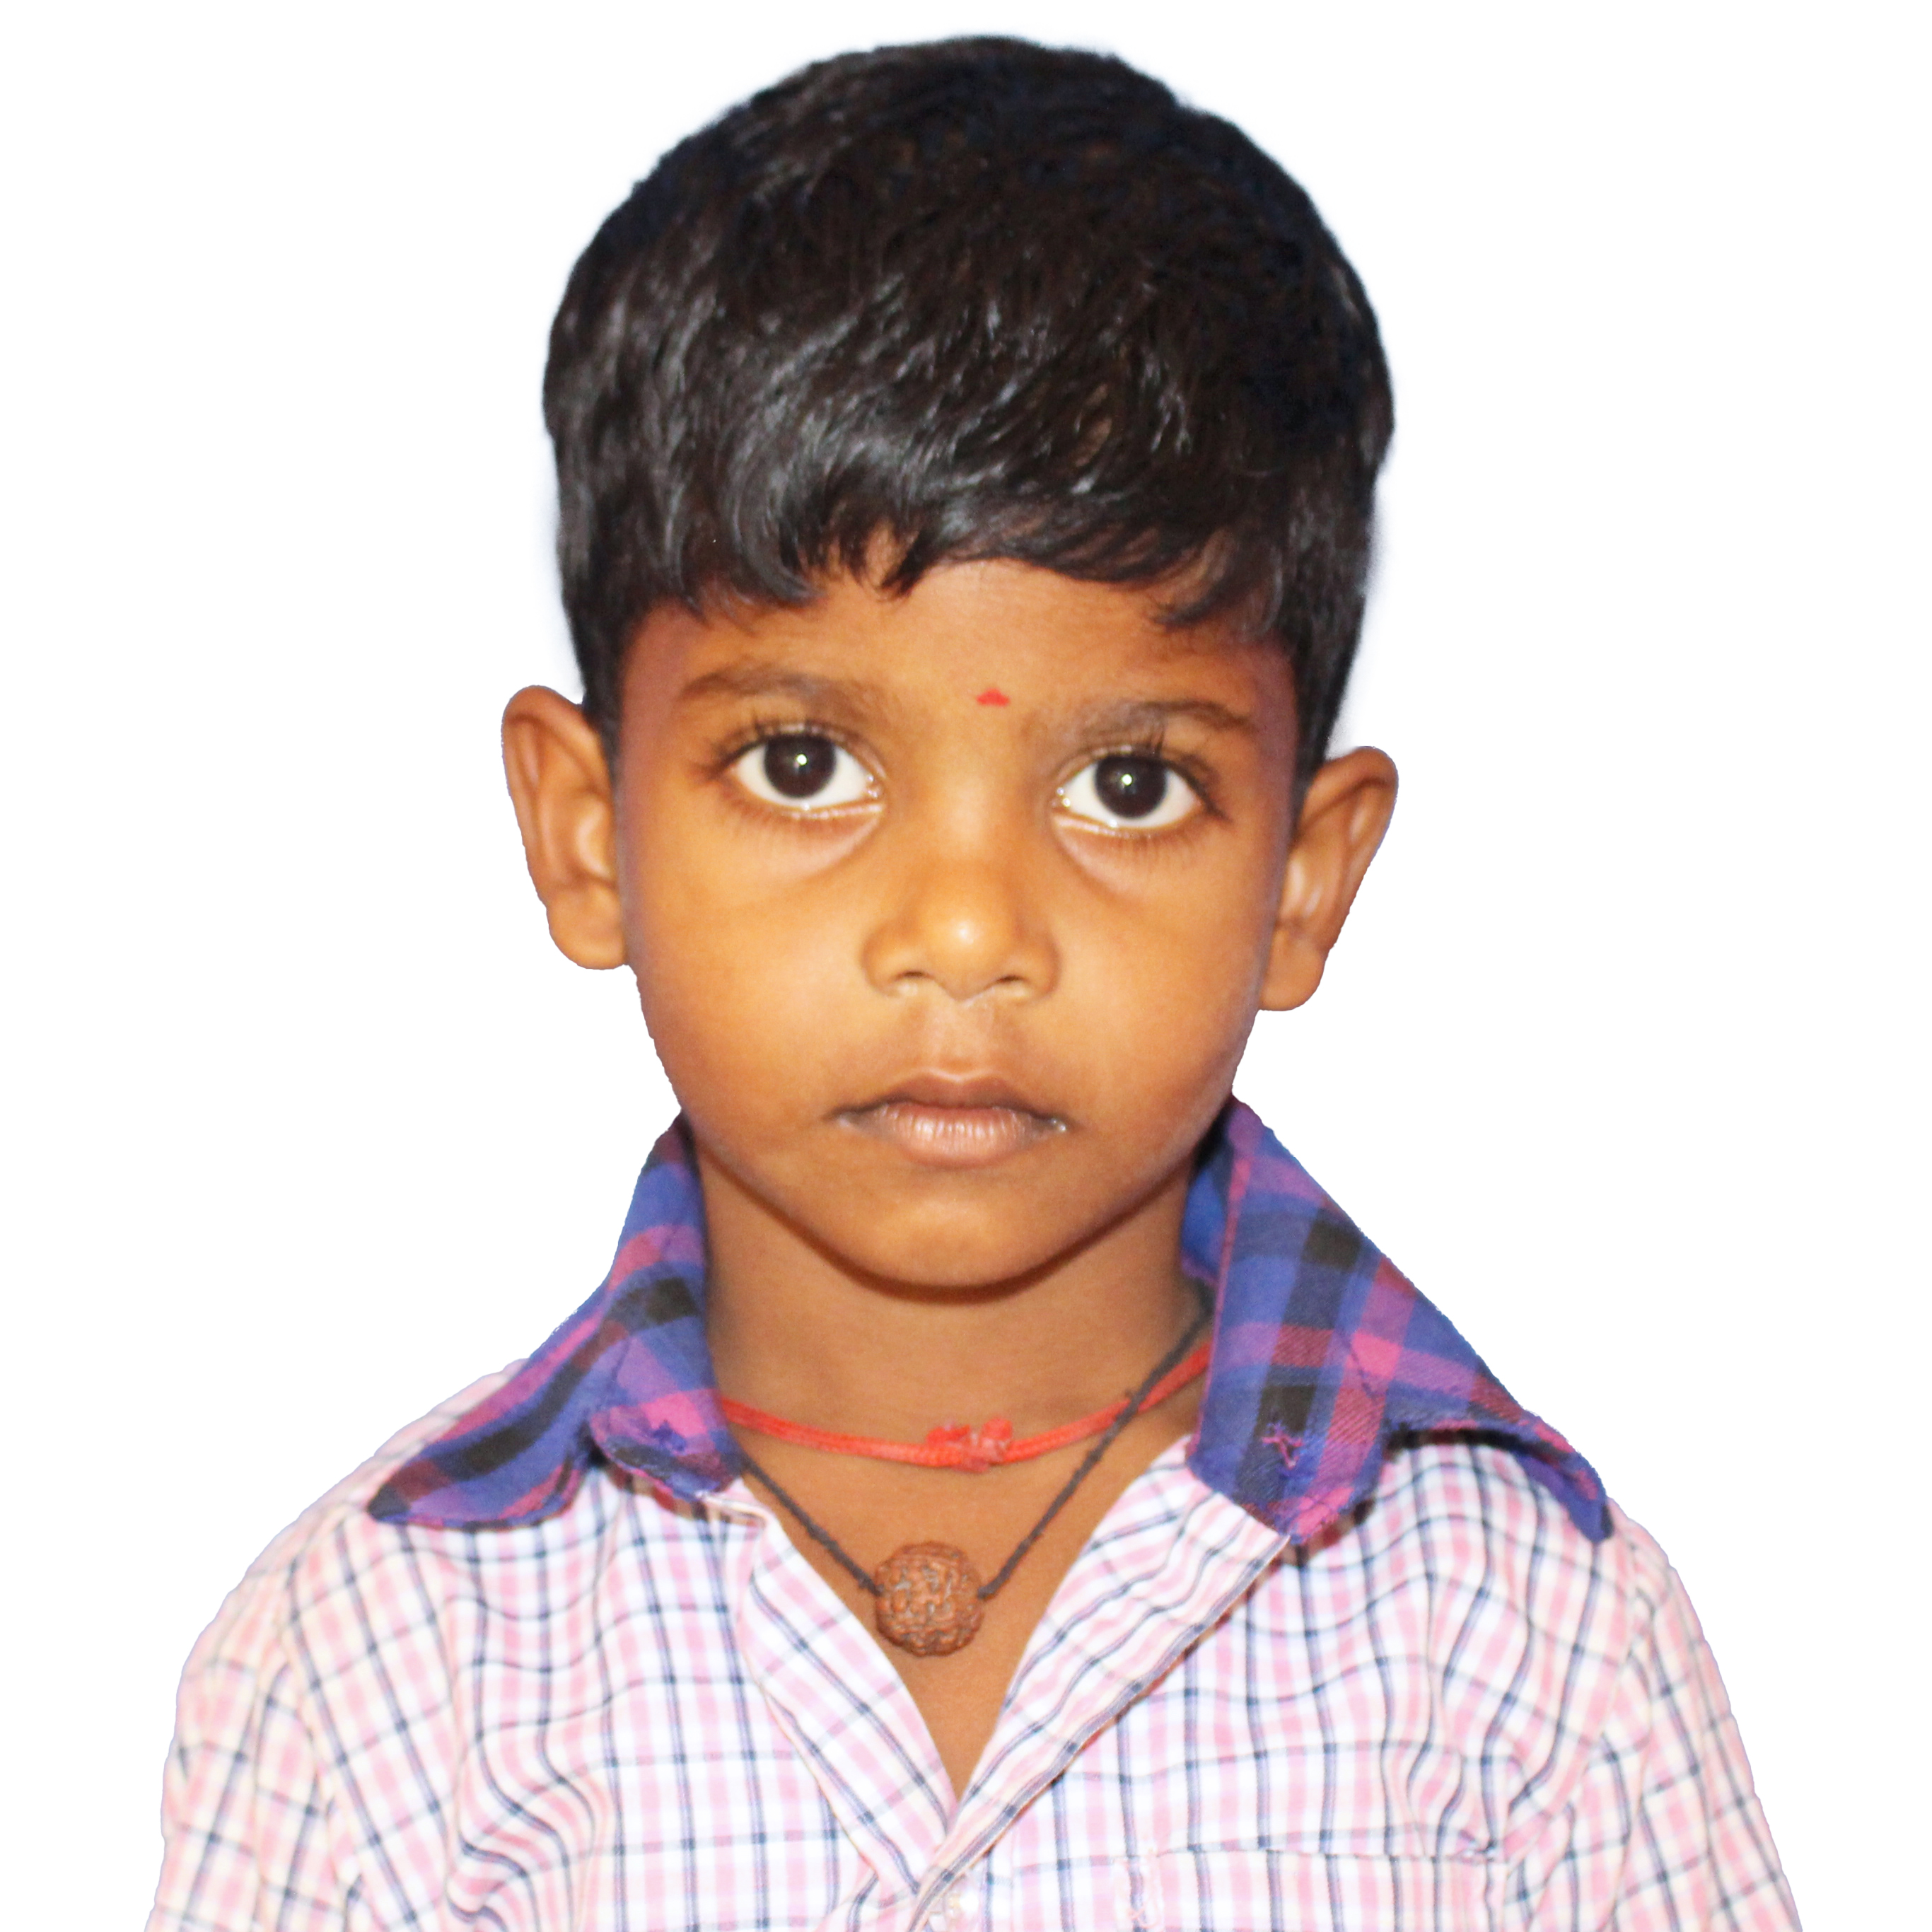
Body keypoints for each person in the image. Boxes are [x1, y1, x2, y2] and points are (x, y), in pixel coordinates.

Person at [149, 37, 1798, 1931]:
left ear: (1303, 876)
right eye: (802, 764)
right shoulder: (379, 1672)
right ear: (586, 833)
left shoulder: (1528, 1654)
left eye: (1128, 786)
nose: (963, 928)